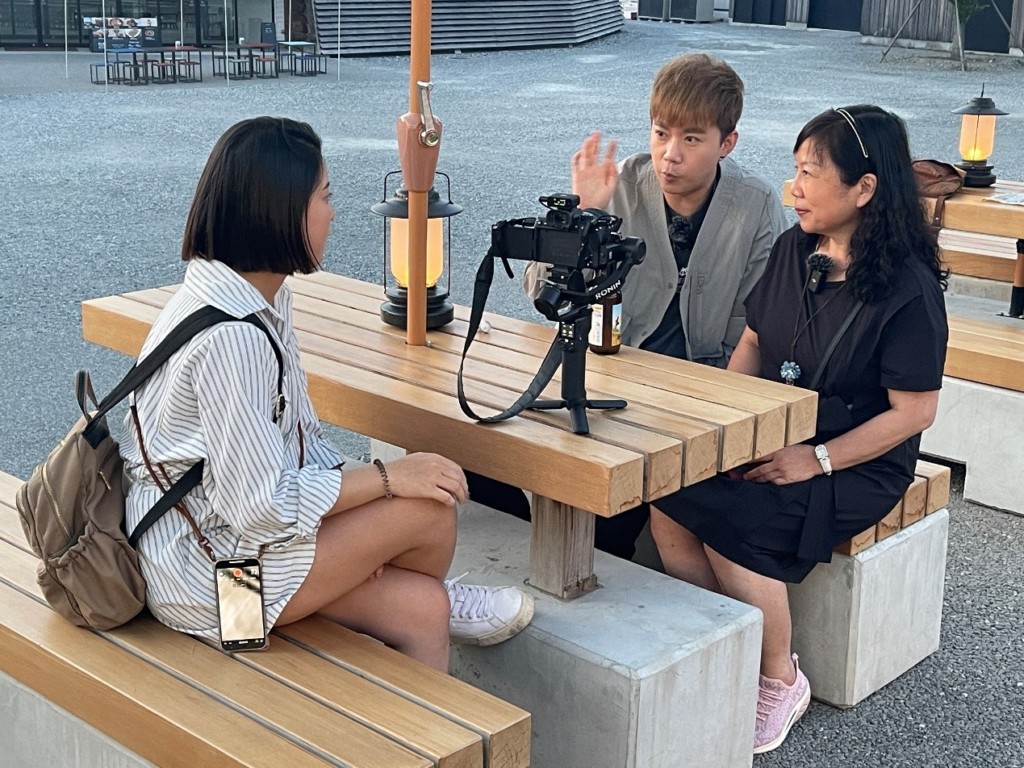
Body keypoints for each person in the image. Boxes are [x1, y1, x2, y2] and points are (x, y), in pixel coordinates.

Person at [120, 117, 534, 673]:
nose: (333, 213)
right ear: (279, 210)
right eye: (324, 197)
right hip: (212, 591)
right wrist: (385, 480)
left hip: (230, 547)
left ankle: (407, 714)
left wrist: (360, 540)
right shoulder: (233, 338)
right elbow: (261, 507)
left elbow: (301, 440)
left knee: (424, 605)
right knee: (427, 509)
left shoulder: (257, 299)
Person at [649, 105, 949, 753]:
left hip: (857, 459)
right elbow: (754, 340)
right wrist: (727, 427)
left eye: (810, 173)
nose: (794, 189)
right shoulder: (795, 248)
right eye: (795, 171)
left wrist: (817, 459)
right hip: (773, 430)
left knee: (734, 521)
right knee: (670, 498)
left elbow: (914, 413)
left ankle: (779, 678)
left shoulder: (909, 290)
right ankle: (719, 647)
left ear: (864, 188)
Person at [469, 53, 788, 560]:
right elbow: (539, 289)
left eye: (691, 139)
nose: (669, 155)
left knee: (608, 520)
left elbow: (755, 328)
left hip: (696, 395)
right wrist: (584, 214)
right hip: (607, 376)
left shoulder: (755, 204)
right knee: (480, 446)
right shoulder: (619, 183)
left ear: (727, 143)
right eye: (661, 134)